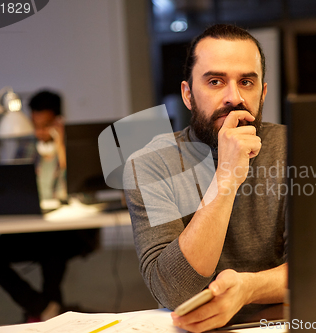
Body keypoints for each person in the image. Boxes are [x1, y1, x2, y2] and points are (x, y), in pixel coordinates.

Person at [124, 24, 287, 332]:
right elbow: (172, 289)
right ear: (188, 94)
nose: (234, 97)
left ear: (263, 93)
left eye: (247, 82)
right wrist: (226, 178)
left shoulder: (297, 149)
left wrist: (248, 288)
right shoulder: (150, 164)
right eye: (215, 81)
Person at [0, 90, 99, 323]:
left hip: (69, 230)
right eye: (35, 125)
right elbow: (11, 185)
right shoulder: (25, 146)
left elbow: (78, 190)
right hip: (34, 225)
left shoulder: (75, 148)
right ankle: (44, 308)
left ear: (58, 121)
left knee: (53, 249)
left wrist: (62, 151)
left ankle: (46, 316)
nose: (40, 132)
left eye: (45, 125)